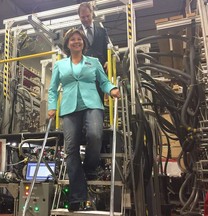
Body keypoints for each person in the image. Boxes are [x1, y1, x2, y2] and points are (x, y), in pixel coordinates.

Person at [47, 29, 120, 212]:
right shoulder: (60, 65)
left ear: (84, 43)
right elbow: (53, 89)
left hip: (92, 104)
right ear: (67, 44)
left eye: (79, 39)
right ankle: (77, 196)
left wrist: (112, 89)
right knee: (70, 149)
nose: (76, 41)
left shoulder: (93, 62)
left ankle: (89, 167)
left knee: (95, 135)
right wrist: (52, 106)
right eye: (72, 39)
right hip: (69, 108)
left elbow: (103, 82)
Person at [78, 2, 110, 104]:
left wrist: (108, 61)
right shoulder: (76, 34)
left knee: (98, 101)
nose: (86, 19)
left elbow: (107, 49)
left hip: (99, 71)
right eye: (83, 17)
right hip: (82, 73)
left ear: (92, 13)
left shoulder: (102, 31)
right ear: (79, 17)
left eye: (88, 16)